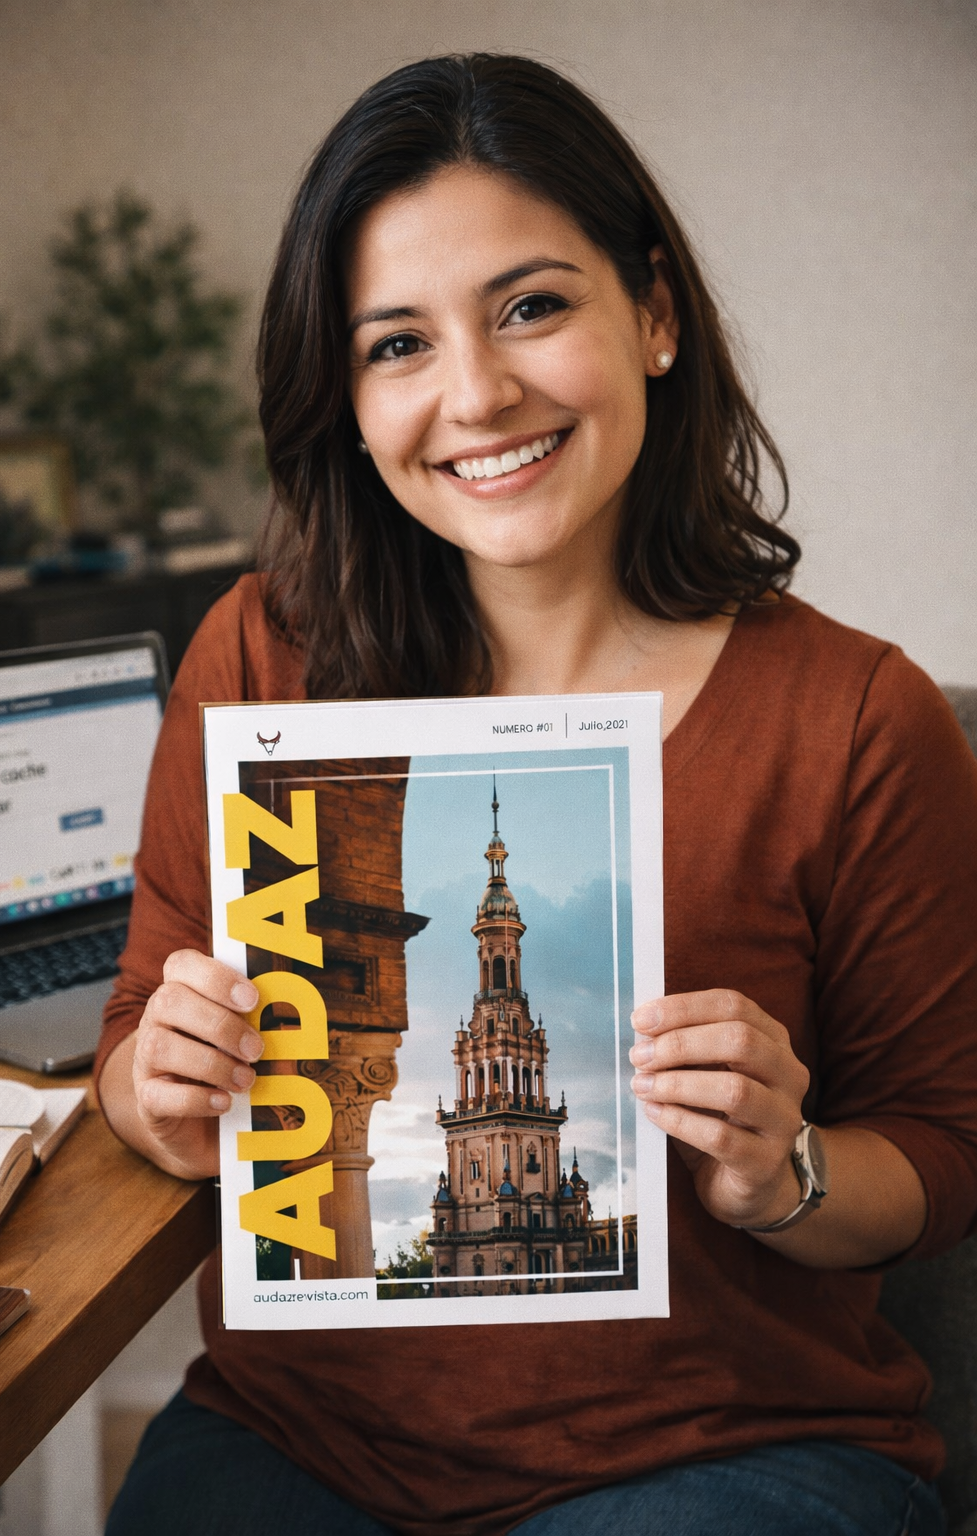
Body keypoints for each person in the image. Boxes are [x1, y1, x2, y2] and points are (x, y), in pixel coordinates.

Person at [99, 54, 977, 1536]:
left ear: (653, 312)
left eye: (531, 306)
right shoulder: (258, 654)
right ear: (347, 394)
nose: (476, 393)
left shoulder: (853, 718)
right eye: (397, 344)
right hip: (304, 1442)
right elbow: (135, 1051)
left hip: (720, 1453)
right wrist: (163, 1087)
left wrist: (788, 1170)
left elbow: (948, 1151)